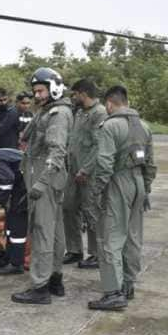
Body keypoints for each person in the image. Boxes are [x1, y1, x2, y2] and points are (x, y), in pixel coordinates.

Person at [87, 85, 156, 311]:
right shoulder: (144, 127)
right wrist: (145, 189)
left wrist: (97, 191)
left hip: (118, 183)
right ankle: (128, 284)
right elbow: (150, 164)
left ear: (109, 103)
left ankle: (112, 292)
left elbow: (105, 164)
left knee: (110, 239)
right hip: (138, 183)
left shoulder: (110, 126)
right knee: (133, 237)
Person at [11, 68, 72, 305]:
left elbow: (57, 153)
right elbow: (26, 136)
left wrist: (40, 183)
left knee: (42, 232)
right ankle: (55, 279)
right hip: (50, 178)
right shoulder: (48, 111)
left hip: (46, 178)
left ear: (53, 88)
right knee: (55, 233)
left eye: (40, 90)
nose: (36, 95)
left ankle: (39, 287)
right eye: (35, 91)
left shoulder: (57, 114)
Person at [62, 79, 108, 269]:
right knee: (68, 207)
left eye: (75, 94)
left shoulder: (100, 113)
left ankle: (97, 254)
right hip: (73, 170)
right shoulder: (80, 112)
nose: (73, 98)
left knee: (91, 212)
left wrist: (86, 169)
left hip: (89, 172)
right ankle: (74, 249)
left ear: (83, 93)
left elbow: (100, 146)